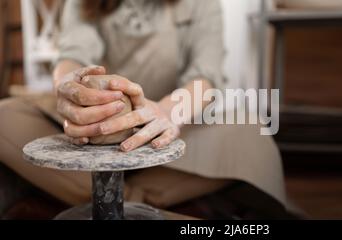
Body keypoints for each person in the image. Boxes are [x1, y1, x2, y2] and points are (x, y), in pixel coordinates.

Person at [0, 0, 287, 218]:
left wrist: (165, 112)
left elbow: (205, 77)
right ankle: (143, 200)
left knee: (251, 132)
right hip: (91, 133)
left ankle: (96, 196)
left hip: (168, 131)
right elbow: (72, 56)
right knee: (4, 117)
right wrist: (69, 89)